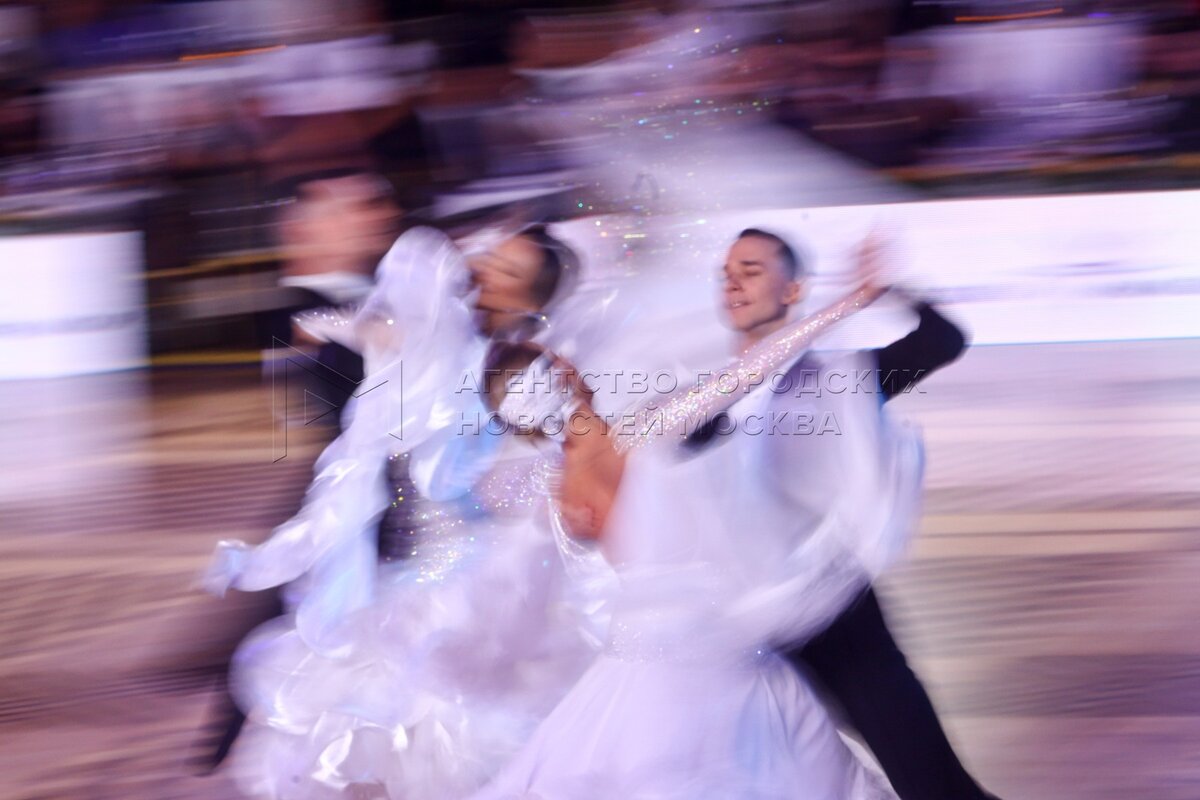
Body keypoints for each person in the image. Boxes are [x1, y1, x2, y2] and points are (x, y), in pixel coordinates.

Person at [470, 264, 921, 799]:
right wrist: (849, 303)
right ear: (561, 374)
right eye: (557, 359)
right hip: (717, 656)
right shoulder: (644, 430)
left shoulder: (560, 491)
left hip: (636, 667)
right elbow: (753, 369)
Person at [201, 222, 594, 798]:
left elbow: (560, 468)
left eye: (507, 271)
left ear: (530, 304)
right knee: (364, 732)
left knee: (450, 738)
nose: (485, 273)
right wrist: (319, 323)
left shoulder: (525, 371)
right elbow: (364, 325)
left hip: (480, 591)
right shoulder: (427, 347)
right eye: (488, 259)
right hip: (397, 585)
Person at [710, 227, 999, 800]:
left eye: (751, 270)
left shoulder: (844, 378)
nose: (733, 283)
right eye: (727, 274)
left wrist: (888, 290)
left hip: (831, 607)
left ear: (793, 290)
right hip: (736, 622)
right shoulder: (704, 390)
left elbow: (942, 340)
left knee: (925, 775)